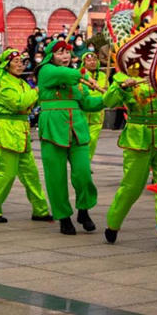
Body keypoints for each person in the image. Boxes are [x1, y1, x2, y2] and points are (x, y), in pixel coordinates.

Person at [102, 61, 157, 249]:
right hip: (138, 137)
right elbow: (108, 101)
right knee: (132, 187)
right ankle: (113, 223)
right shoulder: (126, 73)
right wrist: (121, 87)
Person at [37, 41, 104, 235]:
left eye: (67, 52)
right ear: (51, 56)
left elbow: (88, 103)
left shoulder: (77, 81)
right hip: (52, 130)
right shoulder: (46, 71)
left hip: (77, 129)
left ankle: (83, 210)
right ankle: (64, 217)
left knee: (83, 174)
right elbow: (65, 74)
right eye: (60, 52)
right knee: (55, 178)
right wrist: (85, 75)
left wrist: (112, 96)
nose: (65, 56)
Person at [0, 49, 51, 223]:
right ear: (7, 64)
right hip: (6, 131)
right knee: (6, 174)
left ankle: (40, 210)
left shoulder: (22, 83)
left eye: (22, 62)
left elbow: (34, 100)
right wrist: (37, 91)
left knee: (31, 174)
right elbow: (18, 103)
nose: (21, 65)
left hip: (22, 131)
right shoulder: (3, 82)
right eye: (17, 61)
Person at [80, 51, 108, 161]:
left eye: (94, 60)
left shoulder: (103, 76)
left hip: (98, 113)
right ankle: (81, 161)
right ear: (83, 63)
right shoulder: (80, 74)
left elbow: (107, 92)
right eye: (89, 60)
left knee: (93, 140)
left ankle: (87, 162)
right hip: (83, 111)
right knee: (83, 139)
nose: (92, 62)